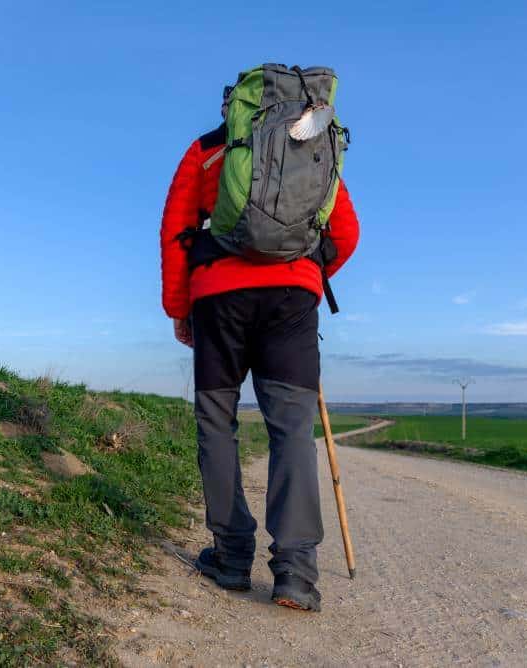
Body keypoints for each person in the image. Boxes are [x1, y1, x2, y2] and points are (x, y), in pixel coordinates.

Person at [159, 86, 359, 612]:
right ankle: (295, 572)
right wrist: (309, 275)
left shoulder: (205, 150)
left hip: (217, 300)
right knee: (291, 430)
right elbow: (347, 232)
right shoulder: (314, 149)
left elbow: (176, 231)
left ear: (237, 107)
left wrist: (179, 308)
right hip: (291, 299)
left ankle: (230, 556)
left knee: (216, 422)